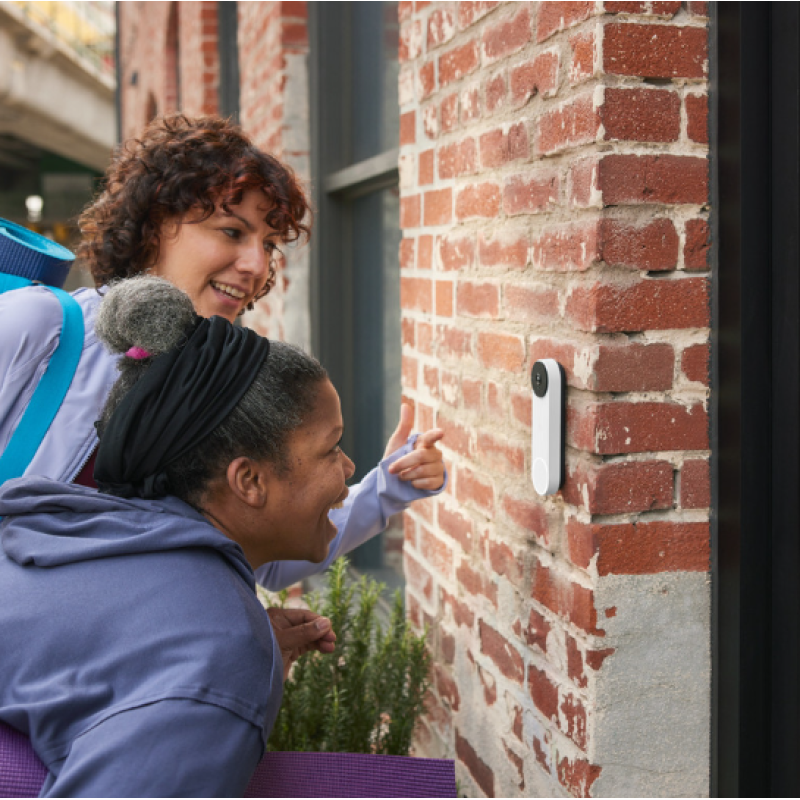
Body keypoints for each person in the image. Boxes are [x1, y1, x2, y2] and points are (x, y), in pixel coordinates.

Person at [0, 114, 446, 595]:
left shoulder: (226, 389)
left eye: (269, 244)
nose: (257, 265)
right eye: (232, 232)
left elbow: (262, 554)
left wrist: (389, 488)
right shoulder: (41, 327)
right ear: (153, 227)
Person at [0, 277, 357, 796]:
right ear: (249, 481)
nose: (348, 468)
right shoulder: (217, 657)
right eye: (332, 448)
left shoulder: (66, 525)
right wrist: (222, 681)